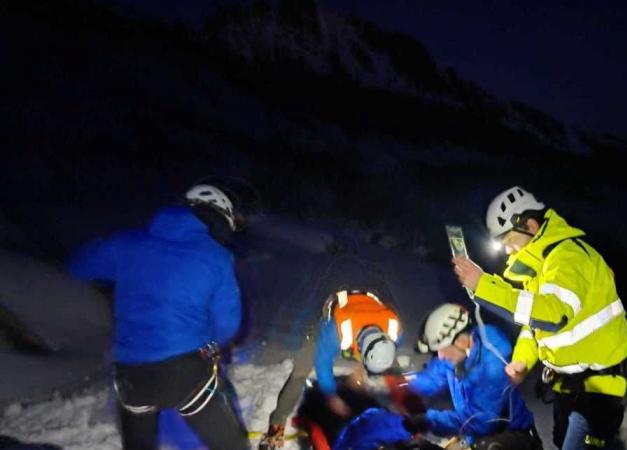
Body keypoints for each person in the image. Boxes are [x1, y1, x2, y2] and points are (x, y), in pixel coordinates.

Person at [68, 184, 250, 450]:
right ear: (219, 218)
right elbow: (227, 325)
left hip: (132, 375)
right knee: (231, 445)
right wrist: (210, 344)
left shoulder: (127, 243)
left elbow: (78, 266)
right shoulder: (217, 257)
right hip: (186, 372)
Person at [452, 186, 627, 449]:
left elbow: (552, 315)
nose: (507, 251)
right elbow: (535, 326)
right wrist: (522, 361)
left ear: (531, 225)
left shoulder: (567, 257)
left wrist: (484, 285)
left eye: (509, 240)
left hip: (599, 391)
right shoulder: (539, 269)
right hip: (568, 389)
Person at [262, 288, 402, 449]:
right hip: (334, 317)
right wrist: (330, 395)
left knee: (395, 377)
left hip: (369, 309)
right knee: (300, 373)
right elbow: (323, 362)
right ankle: (276, 426)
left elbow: (387, 359)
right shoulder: (337, 328)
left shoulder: (394, 328)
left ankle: (405, 418)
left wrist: (363, 372)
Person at [400, 303, 541, 450]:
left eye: (442, 349)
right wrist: (394, 391)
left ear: (460, 341)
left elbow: (481, 422)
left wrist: (426, 421)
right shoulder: (457, 355)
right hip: (477, 437)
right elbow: (432, 377)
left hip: (514, 439)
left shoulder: (492, 362)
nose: (440, 356)